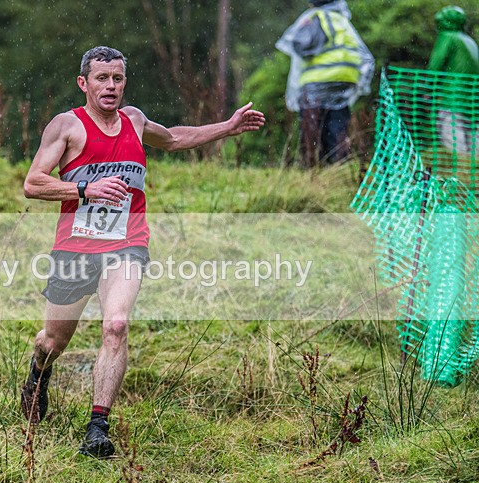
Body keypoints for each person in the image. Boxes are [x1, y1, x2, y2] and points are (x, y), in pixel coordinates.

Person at [20, 46, 265, 458]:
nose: (110, 86)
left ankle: (97, 427)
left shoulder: (133, 120)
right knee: (54, 340)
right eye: (101, 78)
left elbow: (171, 138)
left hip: (128, 244)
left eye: (117, 78)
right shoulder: (66, 127)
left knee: (115, 326)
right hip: (75, 247)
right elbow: (33, 183)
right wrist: (85, 189)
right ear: (84, 83)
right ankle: (37, 376)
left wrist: (227, 127)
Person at [276, 0, 374, 167]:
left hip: (319, 80)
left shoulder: (317, 18)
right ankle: (339, 166)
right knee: (337, 126)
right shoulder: (341, 21)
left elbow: (301, 45)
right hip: (344, 80)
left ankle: (312, 169)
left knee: (312, 129)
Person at [427, 5, 479, 154]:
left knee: (455, 146)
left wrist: (426, 88)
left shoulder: (447, 37)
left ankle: (460, 175)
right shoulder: (469, 41)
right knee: (474, 146)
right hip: (473, 101)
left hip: (452, 99)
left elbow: (435, 66)